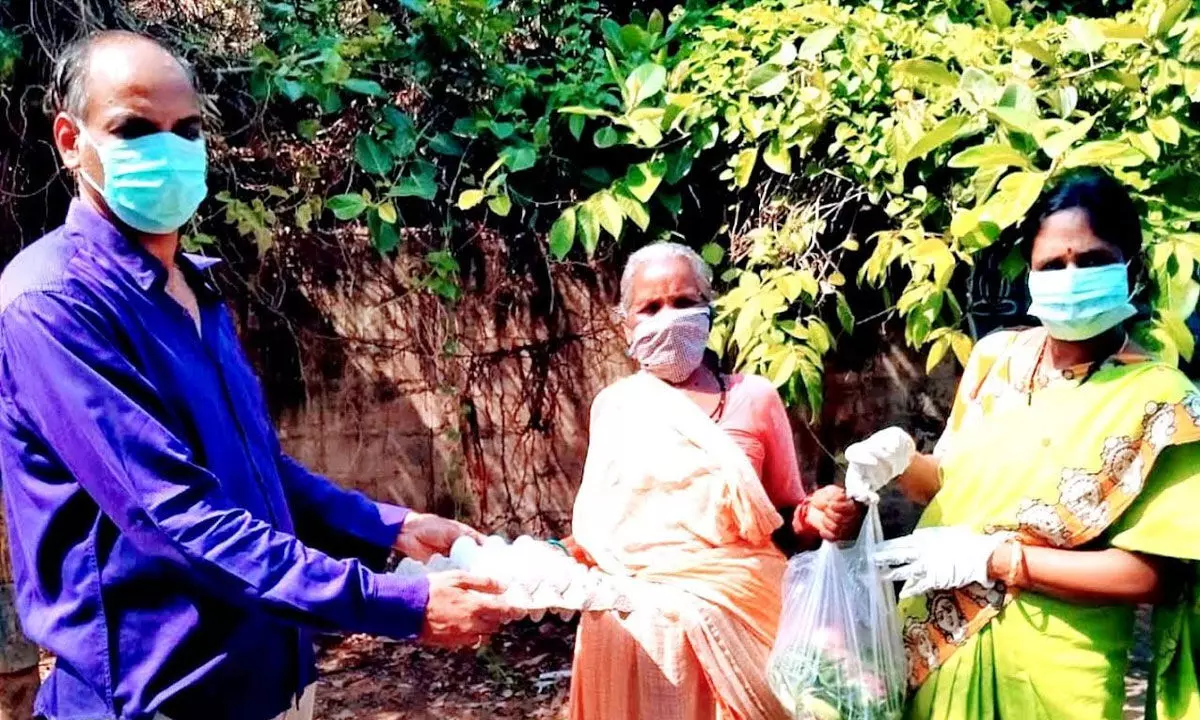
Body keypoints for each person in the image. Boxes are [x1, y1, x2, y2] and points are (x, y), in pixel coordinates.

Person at [0, 30, 514, 720]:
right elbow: (174, 516)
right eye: (133, 127)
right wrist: (402, 605)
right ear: (70, 140)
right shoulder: (54, 302)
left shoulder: (196, 290)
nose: (169, 151)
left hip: (273, 681)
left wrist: (387, 526)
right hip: (158, 699)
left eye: (186, 130)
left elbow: (257, 472)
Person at [847, 168, 1200, 719]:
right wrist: (900, 461)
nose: (1071, 275)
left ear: (1131, 268)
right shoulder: (997, 358)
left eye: (1092, 260)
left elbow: (1152, 576)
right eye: (1053, 265)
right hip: (940, 645)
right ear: (1030, 275)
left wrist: (998, 558)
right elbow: (951, 483)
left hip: (1059, 666)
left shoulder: (1163, 403)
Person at [567, 242, 863, 720]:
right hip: (640, 630)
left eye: (684, 303)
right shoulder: (615, 405)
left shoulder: (755, 397)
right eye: (650, 307)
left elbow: (785, 519)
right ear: (625, 323)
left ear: (709, 309)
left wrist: (818, 513)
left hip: (743, 616)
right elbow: (601, 530)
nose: (668, 317)